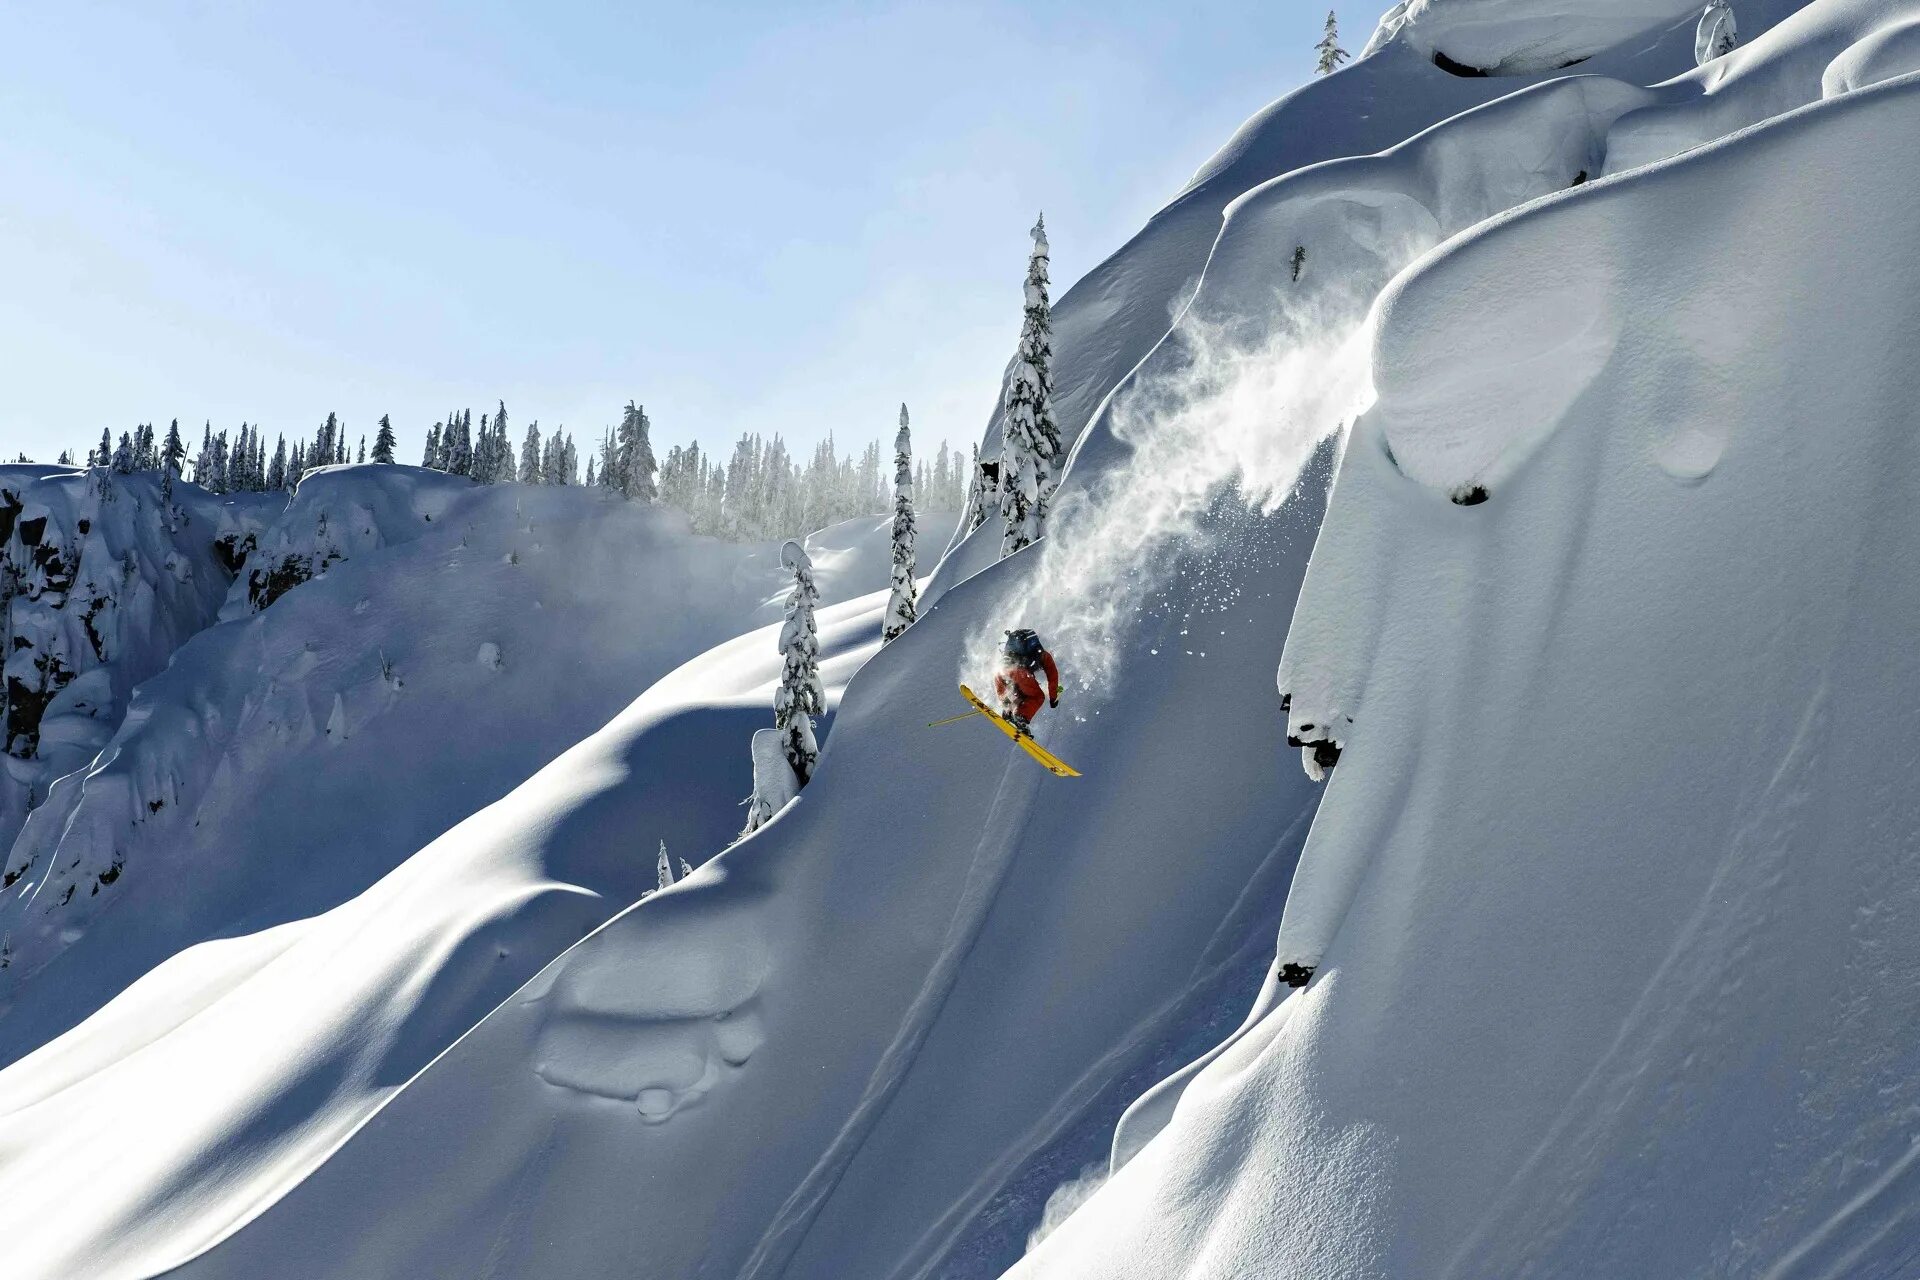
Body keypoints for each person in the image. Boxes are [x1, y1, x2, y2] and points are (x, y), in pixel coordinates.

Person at [994, 628, 1060, 735]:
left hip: (1000, 672)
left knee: (1020, 696)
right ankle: (1020, 718)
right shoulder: (1044, 655)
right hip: (1019, 673)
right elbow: (1053, 676)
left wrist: (1004, 700)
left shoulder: (1013, 650)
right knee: (1037, 697)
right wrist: (1053, 698)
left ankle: (1008, 711)